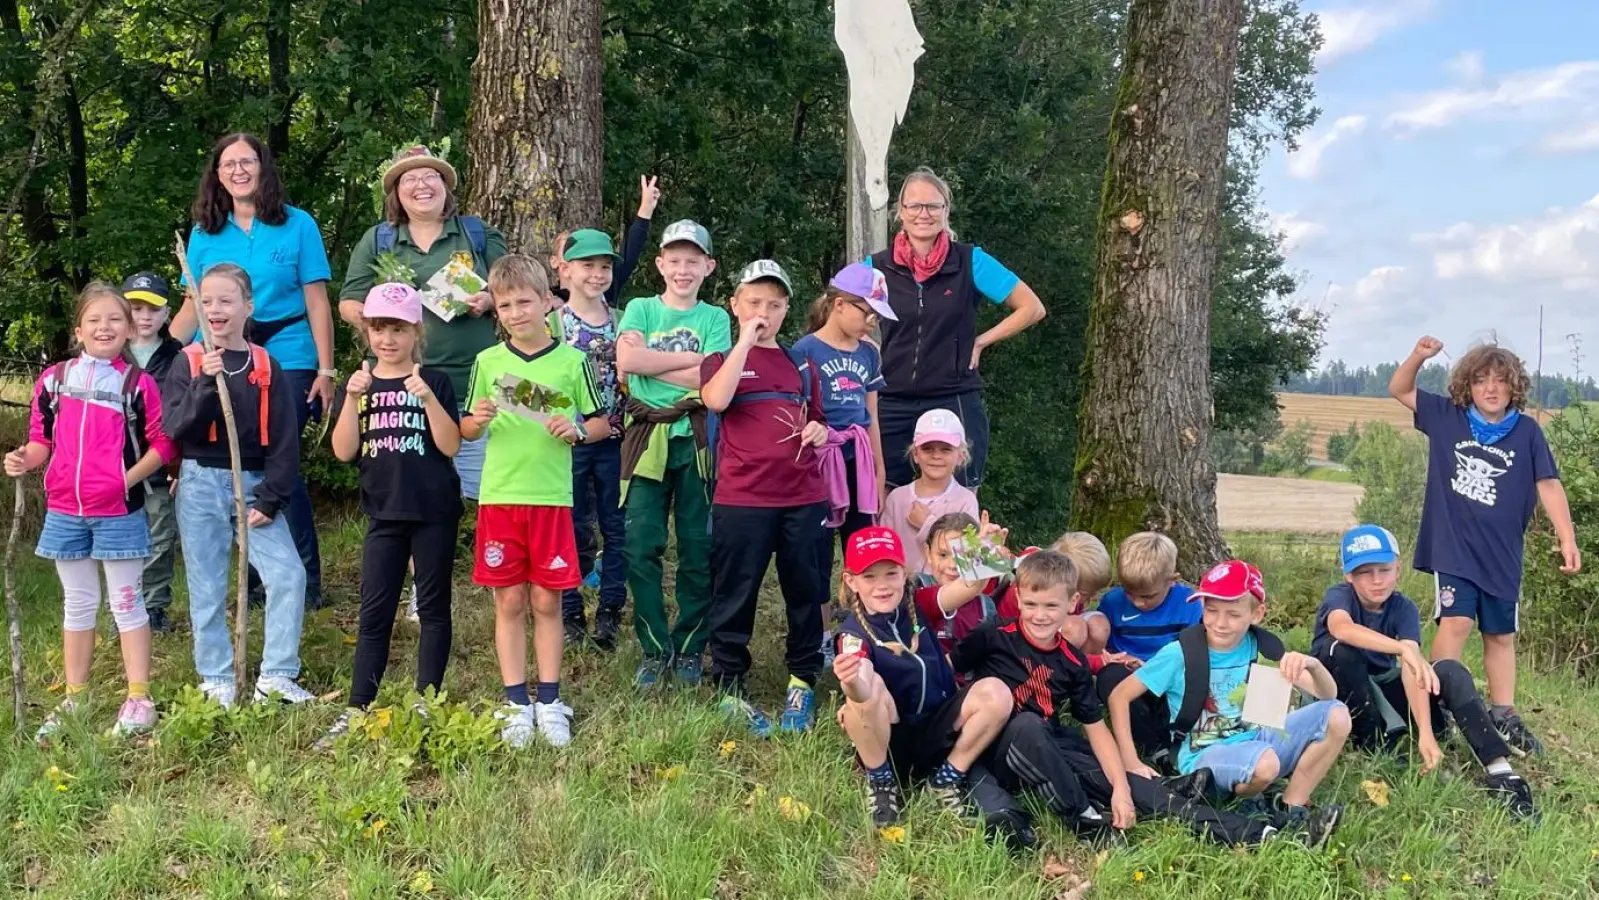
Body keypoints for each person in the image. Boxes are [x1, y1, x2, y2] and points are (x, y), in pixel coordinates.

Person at [954, 552, 1323, 847]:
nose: (1039, 615)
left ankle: (1260, 833)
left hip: (1047, 748)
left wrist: (1120, 787)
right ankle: (1081, 815)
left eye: (1051, 606)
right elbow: (951, 676)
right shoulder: (993, 636)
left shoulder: (1071, 661)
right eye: (1031, 604)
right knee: (1024, 734)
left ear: (1072, 605)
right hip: (989, 746)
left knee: (1126, 783)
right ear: (1017, 598)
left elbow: (1096, 730)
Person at [1389, 336, 1580, 756]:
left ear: (1514, 387)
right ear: (1467, 386)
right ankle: (1440, 709)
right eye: (1480, 380)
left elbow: (1547, 484)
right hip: (1453, 550)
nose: (1490, 388)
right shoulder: (1446, 416)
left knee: (1500, 634)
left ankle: (1503, 715)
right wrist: (1418, 356)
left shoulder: (1527, 432)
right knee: (1455, 624)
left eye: (1500, 380)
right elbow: (1400, 389)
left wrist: (1567, 537)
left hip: (1502, 555)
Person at [5, 282, 175, 743]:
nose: (105, 327)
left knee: (125, 602)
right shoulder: (54, 380)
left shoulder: (137, 385)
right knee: (78, 603)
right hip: (65, 510)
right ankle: (75, 697)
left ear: (128, 330)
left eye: (115, 320)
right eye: (94, 320)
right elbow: (42, 440)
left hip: (119, 511)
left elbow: (162, 445)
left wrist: (125, 480)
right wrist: (25, 457)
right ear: (78, 329)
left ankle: (139, 698)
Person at [175, 133, 333, 609]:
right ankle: (255, 581)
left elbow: (316, 298)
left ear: (263, 168)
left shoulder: (297, 224)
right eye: (229, 164)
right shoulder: (205, 232)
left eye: (248, 162)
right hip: (222, 351)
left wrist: (326, 369)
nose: (239, 170)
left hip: (287, 351)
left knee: (280, 462)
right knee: (234, 462)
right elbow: (192, 306)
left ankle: (304, 580)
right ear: (217, 174)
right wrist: (158, 354)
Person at [461, 255, 608, 749]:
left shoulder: (573, 361)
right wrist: (476, 420)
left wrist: (579, 429)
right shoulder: (487, 364)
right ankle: (515, 703)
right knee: (509, 599)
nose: (517, 312)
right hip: (501, 498)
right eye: (505, 305)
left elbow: (603, 421)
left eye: (526, 301)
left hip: (551, 499)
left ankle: (549, 700)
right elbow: (465, 426)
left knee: (547, 599)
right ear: (495, 312)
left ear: (549, 301)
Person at [318, 284, 462, 750]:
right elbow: (343, 451)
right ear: (367, 331)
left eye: (397, 329)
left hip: (434, 512)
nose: (387, 339)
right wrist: (352, 400)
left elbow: (451, 444)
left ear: (415, 331)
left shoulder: (434, 380)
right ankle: (358, 706)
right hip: (384, 514)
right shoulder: (359, 382)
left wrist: (427, 399)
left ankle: (428, 702)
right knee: (374, 613)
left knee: (434, 609)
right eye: (379, 328)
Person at [1313, 524, 1538, 821]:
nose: (1377, 580)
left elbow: (1412, 667)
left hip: (1386, 687)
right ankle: (1371, 745)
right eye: (1365, 573)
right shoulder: (1339, 597)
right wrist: (1401, 649)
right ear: (1348, 576)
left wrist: (1427, 735)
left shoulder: (1403, 607)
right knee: (1340, 648)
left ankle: (1500, 770)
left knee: (1448, 669)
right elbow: (1340, 627)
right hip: (1341, 694)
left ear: (1398, 569)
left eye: (1384, 569)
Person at [1108, 560, 1349, 834]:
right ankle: (1243, 800)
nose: (1220, 623)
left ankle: (1289, 806)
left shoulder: (1263, 647)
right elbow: (1119, 696)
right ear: (1201, 608)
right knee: (1266, 763)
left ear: (1257, 614)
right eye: (1211, 611)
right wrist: (1130, 760)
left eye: (1233, 614)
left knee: (1337, 715)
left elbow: (1329, 695)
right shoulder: (1180, 654)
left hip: (1257, 738)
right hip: (1204, 753)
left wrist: (1313, 666)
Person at [164, 263, 312, 707]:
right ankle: (216, 677)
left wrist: (271, 498)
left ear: (248, 307)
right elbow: (177, 427)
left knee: (288, 573)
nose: (215, 310)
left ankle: (277, 675)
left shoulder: (267, 365)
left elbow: (285, 443)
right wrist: (205, 384)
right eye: (206, 301)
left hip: (253, 484)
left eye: (226, 301)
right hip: (198, 482)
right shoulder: (187, 361)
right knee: (207, 583)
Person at [700, 261, 830, 735]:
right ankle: (730, 683)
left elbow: (818, 418)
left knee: (805, 589)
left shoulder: (802, 363)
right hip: (742, 499)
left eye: (774, 305)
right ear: (734, 305)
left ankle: (803, 679)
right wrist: (744, 344)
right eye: (754, 302)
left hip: (803, 496)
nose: (764, 313)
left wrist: (818, 428)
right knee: (736, 591)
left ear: (787, 309)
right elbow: (716, 400)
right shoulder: (719, 359)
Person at [339, 144, 507, 509]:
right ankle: (422, 564)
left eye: (431, 175)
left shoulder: (476, 234)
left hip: (470, 384)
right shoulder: (379, 240)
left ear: (446, 185)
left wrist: (490, 301)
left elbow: (513, 289)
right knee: (411, 494)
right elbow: (348, 304)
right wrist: (388, 317)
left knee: (487, 495)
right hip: (398, 391)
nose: (421, 185)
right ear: (396, 193)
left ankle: (488, 564)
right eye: (410, 178)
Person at [870, 167, 1046, 490]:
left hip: (954, 398)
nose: (924, 214)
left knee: (958, 508)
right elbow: (836, 312)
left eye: (933, 206)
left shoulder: (970, 261)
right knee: (885, 503)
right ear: (901, 211)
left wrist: (981, 341)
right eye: (915, 206)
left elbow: (1032, 307)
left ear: (945, 211)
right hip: (890, 400)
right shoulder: (876, 267)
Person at [832, 526, 1015, 827]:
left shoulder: (919, 603)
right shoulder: (853, 632)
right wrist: (850, 681)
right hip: (891, 738)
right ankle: (881, 784)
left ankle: (945, 780)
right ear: (851, 581)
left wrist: (982, 549)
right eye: (869, 576)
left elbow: (971, 586)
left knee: (997, 692)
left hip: (938, 725)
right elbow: (862, 685)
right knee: (864, 694)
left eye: (891, 573)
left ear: (904, 573)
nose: (882, 586)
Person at [615, 220, 731, 688]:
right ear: (660, 263)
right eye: (674, 260)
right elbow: (628, 364)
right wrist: (693, 364)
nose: (683, 269)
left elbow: (716, 381)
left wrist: (655, 365)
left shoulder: (716, 318)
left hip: (696, 439)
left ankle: (689, 647)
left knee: (698, 548)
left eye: (693, 260)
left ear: (708, 266)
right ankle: (653, 646)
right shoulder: (640, 308)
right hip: (644, 438)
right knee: (640, 546)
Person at [791, 262, 894, 663]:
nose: (870, 323)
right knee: (817, 551)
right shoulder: (805, 351)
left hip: (859, 463)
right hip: (820, 464)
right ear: (838, 305)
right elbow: (797, 411)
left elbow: (872, 414)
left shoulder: (869, 354)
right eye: (866, 313)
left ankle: (865, 628)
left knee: (862, 545)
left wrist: (880, 469)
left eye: (876, 316)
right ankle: (820, 632)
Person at [552, 229, 632, 651]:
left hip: (615, 439)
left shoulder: (623, 320)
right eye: (588, 265)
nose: (597, 274)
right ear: (566, 269)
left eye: (604, 266)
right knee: (569, 525)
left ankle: (610, 610)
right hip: (566, 444)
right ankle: (569, 610)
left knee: (616, 527)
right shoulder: (553, 322)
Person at [1092, 532, 1201, 763]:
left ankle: (1177, 739)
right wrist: (1120, 657)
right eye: (1129, 593)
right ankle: (1154, 746)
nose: (1138, 602)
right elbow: (1104, 647)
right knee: (1108, 678)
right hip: (1130, 678)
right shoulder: (1112, 602)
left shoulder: (1190, 604)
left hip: (1170, 679)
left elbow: (1195, 649)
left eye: (1148, 596)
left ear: (1173, 580)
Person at [124, 272, 184, 634]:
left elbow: (185, 414)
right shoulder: (111, 353)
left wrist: (179, 467)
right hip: (117, 467)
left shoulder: (178, 356)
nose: (144, 317)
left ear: (167, 314)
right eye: (136, 308)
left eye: (153, 309)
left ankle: (155, 606)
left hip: (162, 465)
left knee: (161, 536)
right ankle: (125, 607)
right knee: (123, 540)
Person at [878, 409, 979, 579]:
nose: (936, 456)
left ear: (960, 456)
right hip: (901, 592)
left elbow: (967, 558)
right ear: (916, 454)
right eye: (927, 449)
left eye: (946, 449)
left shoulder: (965, 501)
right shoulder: (897, 498)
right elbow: (883, 548)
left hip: (947, 594)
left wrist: (928, 524)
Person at [993, 531, 1114, 653]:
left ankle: (1083, 666)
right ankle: (1053, 670)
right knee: (1075, 628)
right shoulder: (1034, 583)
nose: (1094, 598)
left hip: (1051, 625)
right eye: (1086, 593)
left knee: (1099, 626)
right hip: (1018, 638)